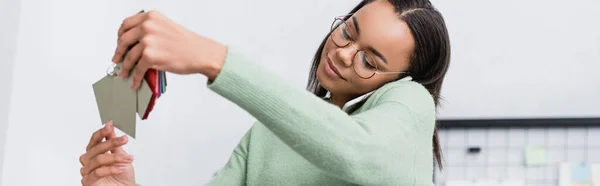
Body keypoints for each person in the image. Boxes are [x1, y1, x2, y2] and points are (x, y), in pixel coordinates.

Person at [79, 0, 451, 185]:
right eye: (348, 32)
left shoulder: (411, 106)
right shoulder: (269, 134)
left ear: (400, 80)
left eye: (369, 61)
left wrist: (212, 58)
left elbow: (355, 150)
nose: (342, 52)